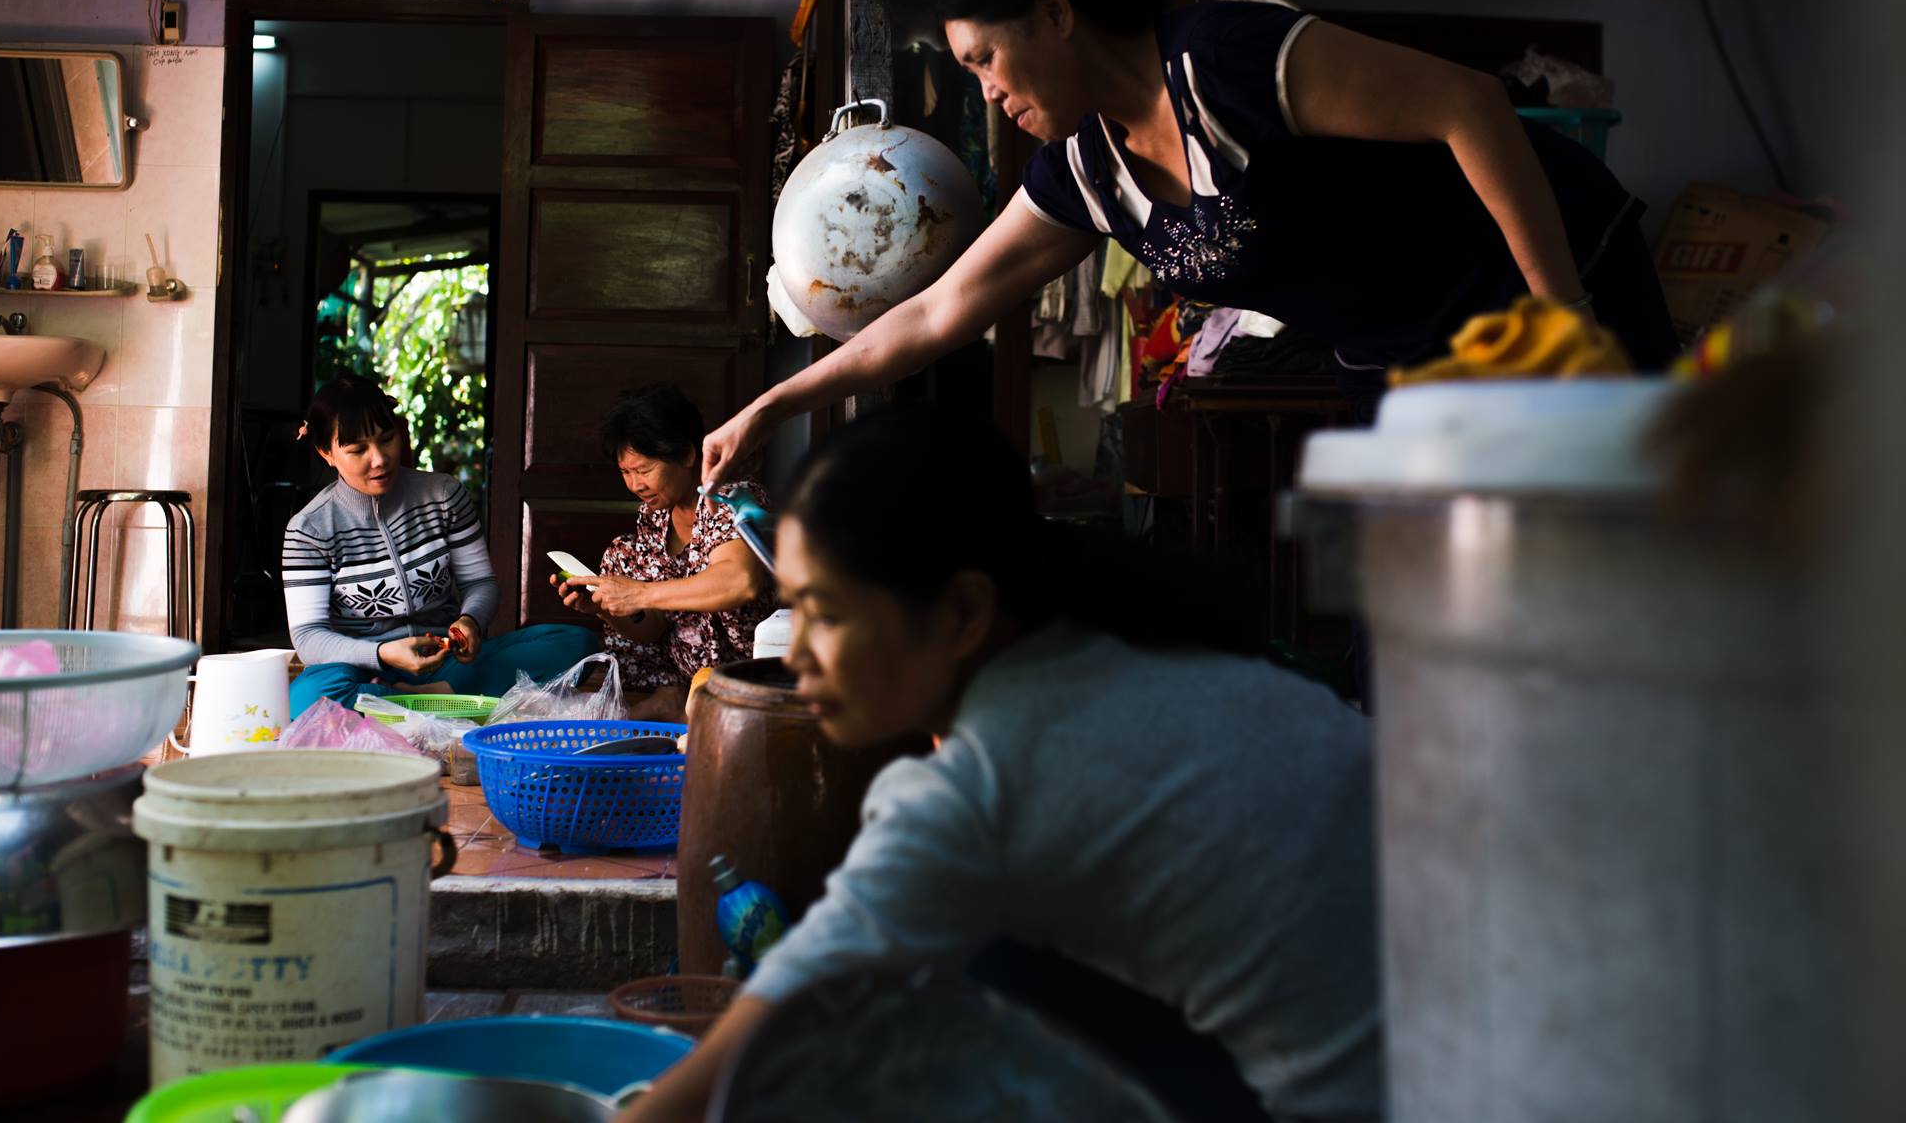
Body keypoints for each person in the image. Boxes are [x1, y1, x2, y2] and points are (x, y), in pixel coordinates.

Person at [702, 0, 1678, 481]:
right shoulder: (1085, 174)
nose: (987, 92)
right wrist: (773, 404)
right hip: (1403, 361)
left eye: (987, 61)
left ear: (1054, 12)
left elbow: (1468, 105)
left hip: (1542, 284)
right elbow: (935, 311)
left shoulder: (1222, 63)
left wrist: (1563, 317)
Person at [620, 408, 1382, 1123]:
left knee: (887, 1016)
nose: (802, 651)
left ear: (961, 613)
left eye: (830, 612)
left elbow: (785, 1005)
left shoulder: (981, 787)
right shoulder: (1125, 644)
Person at [282, 372, 596, 717]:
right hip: (364, 669)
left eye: (386, 439)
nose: (380, 459)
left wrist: (470, 622)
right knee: (306, 696)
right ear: (327, 453)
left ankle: (409, 703)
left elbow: (480, 584)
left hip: (446, 663)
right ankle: (444, 704)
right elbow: (309, 638)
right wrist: (383, 653)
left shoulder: (443, 495)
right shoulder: (309, 529)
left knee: (577, 645)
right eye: (358, 450)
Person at [553, 383, 776, 722]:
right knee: (620, 556)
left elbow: (739, 582)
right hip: (685, 670)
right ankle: (673, 695)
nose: (635, 484)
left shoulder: (731, 498)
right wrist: (606, 607)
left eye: (644, 470)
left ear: (686, 455)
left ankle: (703, 706)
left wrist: (639, 593)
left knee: (668, 582)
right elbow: (653, 629)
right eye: (626, 472)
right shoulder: (654, 517)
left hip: (747, 668)